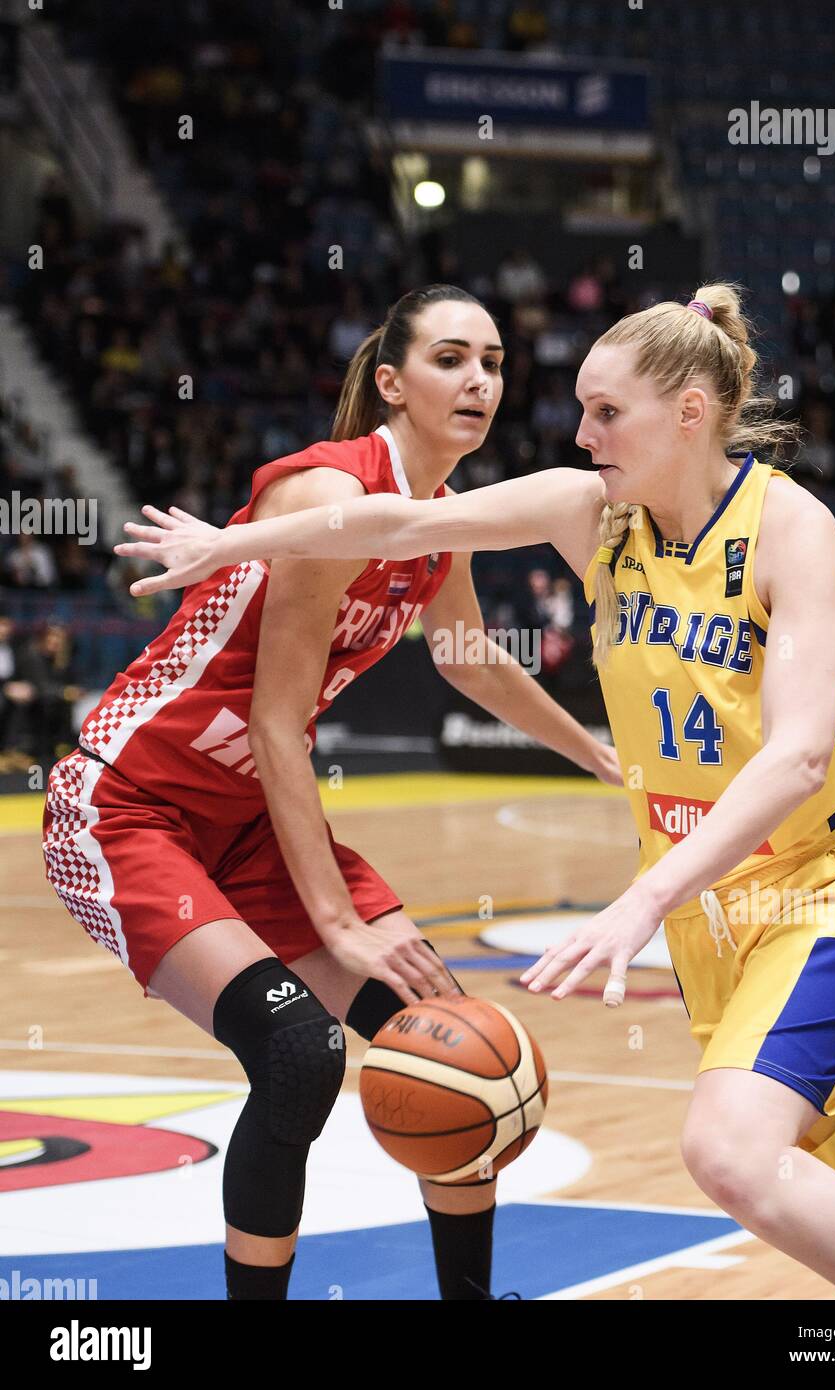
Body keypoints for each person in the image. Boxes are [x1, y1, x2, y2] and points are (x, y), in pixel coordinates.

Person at [120, 283, 835, 1303]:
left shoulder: (789, 527)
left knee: (733, 1156)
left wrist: (642, 899)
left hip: (829, 892)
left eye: (604, 412)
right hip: (716, 913)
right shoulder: (591, 511)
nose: (579, 432)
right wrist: (234, 543)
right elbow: (399, 524)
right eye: (577, 408)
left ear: (688, 414)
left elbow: (795, 756)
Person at [44, 284, 619, 1302]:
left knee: (454, 1041)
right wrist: (337, 928)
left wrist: (600, 755)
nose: (479, 380)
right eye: (451, 358)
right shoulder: (324, 498)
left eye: (491, 361)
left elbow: (469, 658)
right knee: (298, 1049)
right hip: (129, 805)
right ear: (391, 382)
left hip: (246, 822)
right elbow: (275, 723)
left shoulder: (437, 519)